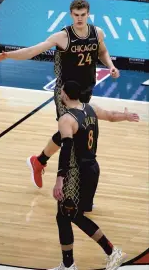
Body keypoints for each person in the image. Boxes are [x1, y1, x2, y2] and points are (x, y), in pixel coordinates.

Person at [0, 0, 119, 193]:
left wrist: (110, 66)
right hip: (65, 94)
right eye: (76, 15)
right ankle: (71, 186)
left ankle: (39, 161)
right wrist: (9, 55)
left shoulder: (97, 33)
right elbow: (33, 50)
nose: (79, 18)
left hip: (85, 91)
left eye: (82, 15)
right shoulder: (63, 36)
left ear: (88, 14)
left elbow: (102, 52)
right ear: (71, 15)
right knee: (72, 135)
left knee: (67, 133)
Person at [51, 80, 139, 270]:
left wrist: (60, 178)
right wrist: (125, 116)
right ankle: (70, 264)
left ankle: (109, 252)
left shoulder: (66, 119)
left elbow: (66, 150)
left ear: (65, 95)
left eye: (61, 92)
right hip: (92, 169)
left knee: (68, 215)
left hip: (77, 173)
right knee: (70, 215)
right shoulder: (90, 109)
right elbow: (110, 116)